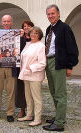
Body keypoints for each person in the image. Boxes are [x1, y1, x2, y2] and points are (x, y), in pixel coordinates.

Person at [42, 4, 79, 132]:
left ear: (58, 14)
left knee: (60, 94)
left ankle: (59, 123)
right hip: (49, 62)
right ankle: (58, 117)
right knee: (53, 91)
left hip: (59, 63)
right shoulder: (49, 29)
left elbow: (72, 48)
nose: (50, 16)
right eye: (48, 14)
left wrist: (70, 66)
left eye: (53, 13)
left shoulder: (65, 28)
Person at [17, 26, 46, 126]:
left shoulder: (41, 46)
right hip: (26, 75)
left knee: (36, 98)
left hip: (35, 75)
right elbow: (23, 59)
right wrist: (23, 72)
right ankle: (29, 115)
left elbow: (42, 63)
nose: (33, 34)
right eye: (32, 33)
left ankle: (38, 118)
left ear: (39, 35)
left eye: (36, 33)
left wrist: (32, 68)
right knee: (28, 97)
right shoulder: (28, 44)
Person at [15, 21, 34, 118]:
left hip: (31, 68)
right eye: (24, 26)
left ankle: (31, 110)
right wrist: (22, 37)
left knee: (32, 90)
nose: (26, 28)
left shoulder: (35, 39)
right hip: (20, 68)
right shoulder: (19, 38)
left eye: (28, 26)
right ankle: (22, 110)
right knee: (21, 90)